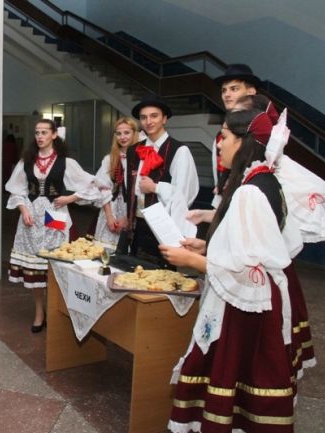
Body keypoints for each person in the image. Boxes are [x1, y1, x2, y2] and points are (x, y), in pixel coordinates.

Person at [159, 109, 305, 432]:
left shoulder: (250, 191)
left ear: (243, 142)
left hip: (246, 304)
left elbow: (244, 269)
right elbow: (254, 243)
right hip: (260, 299)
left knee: (230, 375)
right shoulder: (266, 179)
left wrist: (191, 261)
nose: (218, 144)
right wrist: (208, 246)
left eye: (224, 136)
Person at [6, 119, 100, 332]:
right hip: (31, 217)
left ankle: (55, 309)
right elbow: (16, 190)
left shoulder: (65, 162)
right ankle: (39, 311)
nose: (40, 136)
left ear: (54, 134)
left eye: (44, 132)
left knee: (55, 264)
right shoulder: (26, 161)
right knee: (35, 267)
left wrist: (69, 198)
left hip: (54, 215)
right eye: (37, 133)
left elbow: (91, 186)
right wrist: (24, 210)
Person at [126, 94, 199, 264]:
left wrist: (155, 188)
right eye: (143, 117)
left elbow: (184, 195)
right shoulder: (133, 150)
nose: (148, 121)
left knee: (162, 273)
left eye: (154, 116)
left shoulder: (179, 150)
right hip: (138, 224)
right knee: (135, 270)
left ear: (164, 118)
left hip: (165, 226)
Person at [210, 64, 261, 208]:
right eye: (224, 90)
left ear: (251, 92)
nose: (227, 94)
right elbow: (219, 175)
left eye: (234, 89)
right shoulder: (220, 137)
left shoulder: (262, 132)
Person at [92, 117, 140, 248]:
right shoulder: (109, 159)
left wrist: (128, 217)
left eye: (127, 133)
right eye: (119, 133)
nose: (122, 137)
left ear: (135, 134)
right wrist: (109, 216)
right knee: (105, 250)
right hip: (111, 207)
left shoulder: (142, 159)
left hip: (133, 209)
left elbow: (140, 192)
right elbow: (103, 187)